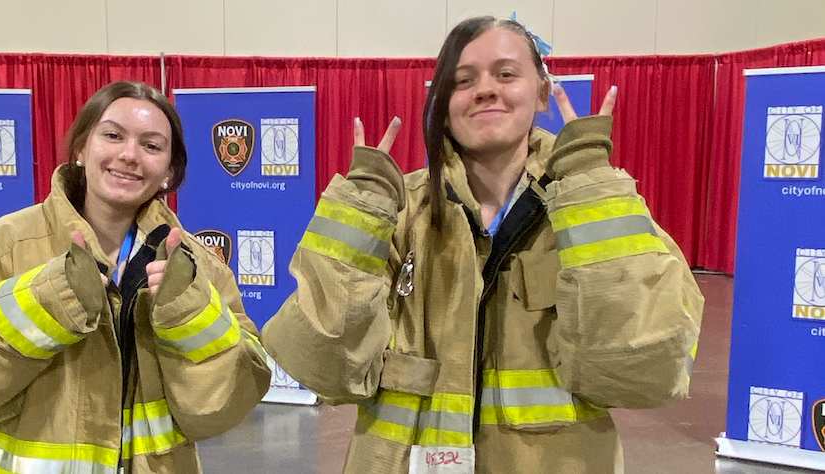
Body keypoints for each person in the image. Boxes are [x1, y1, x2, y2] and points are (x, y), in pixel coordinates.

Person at [262, 16, 704, 473]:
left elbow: (645, 371)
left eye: (506, 74)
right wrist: (360, 211)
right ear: (441, 102)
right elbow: (323, 368)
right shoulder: (397, 213)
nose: (486, 89)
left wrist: (588, 185)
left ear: (541, 91)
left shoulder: (597, 205)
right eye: (462, 80)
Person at [0, 81, 271, 474]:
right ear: (81, 148)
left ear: (170, 171)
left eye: (151, 146)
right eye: (112, 135)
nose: (129, 155)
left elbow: (221, 409)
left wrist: (189, 313)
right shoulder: (2, 247)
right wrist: (48, 301)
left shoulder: (199, 267)